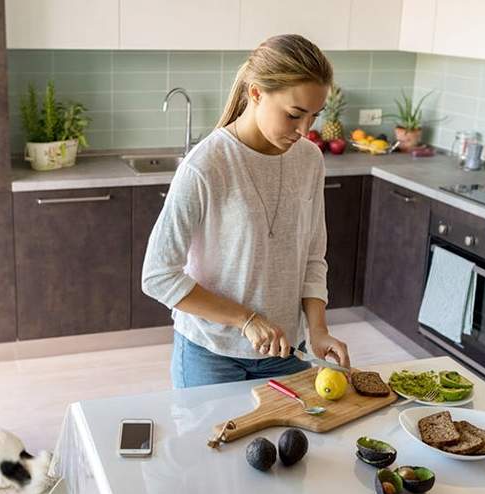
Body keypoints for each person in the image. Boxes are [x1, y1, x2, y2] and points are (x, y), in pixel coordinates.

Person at [142, 34, 351, 389]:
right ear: (256, 93)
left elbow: (313, 257)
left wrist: (318, 329)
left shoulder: (309, 159)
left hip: (288, 353)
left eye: (314, 117)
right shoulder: (206, 165)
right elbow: (158, 275)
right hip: (210, 354)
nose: (304, 131)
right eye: (294, 115)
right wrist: (246, 319)